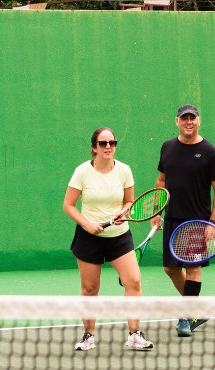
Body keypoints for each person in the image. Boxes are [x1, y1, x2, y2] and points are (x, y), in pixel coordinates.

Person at [63, 127, 154, 351]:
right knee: (90, 289)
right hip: (89, 237)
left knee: (133, 281)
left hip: (119, 236)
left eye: (112, 143)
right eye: (103, 143)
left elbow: (129, 201)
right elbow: (68, 205)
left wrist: (124, 211)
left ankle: (135, 334)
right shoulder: (82, 172)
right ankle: (88, 336)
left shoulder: (124, 170)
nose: (108, 147)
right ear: (94, 147)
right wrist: (87, 224)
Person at [151, 104, 215, 337]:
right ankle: (194, 310)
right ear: (177, 121)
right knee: (170, 268)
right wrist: (156, 211)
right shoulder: (167, 147)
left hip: (197, 222)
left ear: (199, 121)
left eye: (193, 118)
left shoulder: (210, 152)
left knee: (193, 269)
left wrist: (213, 222)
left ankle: (186, 317)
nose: (189, 122)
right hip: (172, 218)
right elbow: (161, 181)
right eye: (184, 118)